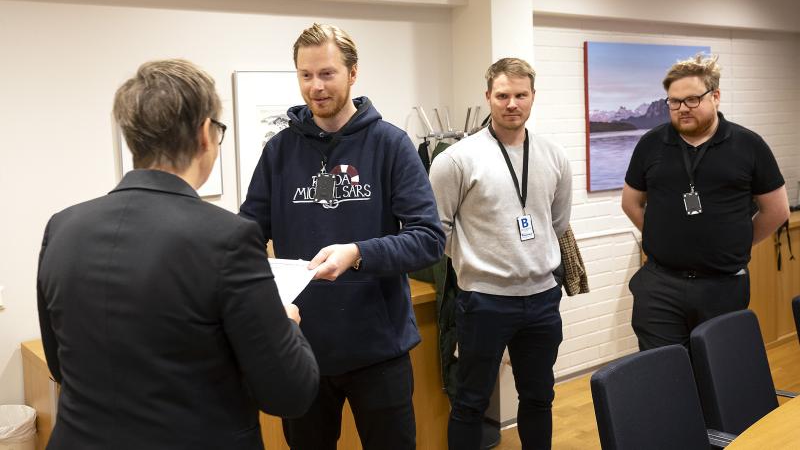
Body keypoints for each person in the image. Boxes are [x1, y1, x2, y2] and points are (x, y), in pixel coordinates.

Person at [37, 59, 319, 450]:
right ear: (206, 133)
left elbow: (59, 364)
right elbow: (290, 394)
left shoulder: (62, 227)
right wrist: (286, 323)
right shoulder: (228, 238)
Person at [239, 23, 445, 450]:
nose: (315, 87)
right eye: (305, 75)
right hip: (301, 348)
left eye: (327, 73)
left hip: (379, 350)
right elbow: (246, 237)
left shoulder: (391, 144)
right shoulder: (278, 152)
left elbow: (428, 238)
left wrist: (357, 252)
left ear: (353, 73)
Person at [429, 57, 572, 450]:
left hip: (542, 299)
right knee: (470, 402)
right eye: (503, 95)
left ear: (532, 98)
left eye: (520, 95)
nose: (512, 103)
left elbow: (555, 223)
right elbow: (435, 229)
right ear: (488, 96)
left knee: (540, 397)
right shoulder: (456, 159)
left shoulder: (554, 156)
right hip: (484, 301)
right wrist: (478, 261)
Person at [621, 54, 790, 351]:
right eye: (674, 102)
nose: (682, 108)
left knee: (717, 374)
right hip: (660, 286)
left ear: (716, 97)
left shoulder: (748, 145)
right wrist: (661, 235)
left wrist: (737, 241)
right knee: (662, 375)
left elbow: (776, 211)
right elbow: (631, 203)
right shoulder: (651, 144)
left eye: (691, 100)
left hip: (722, 285)